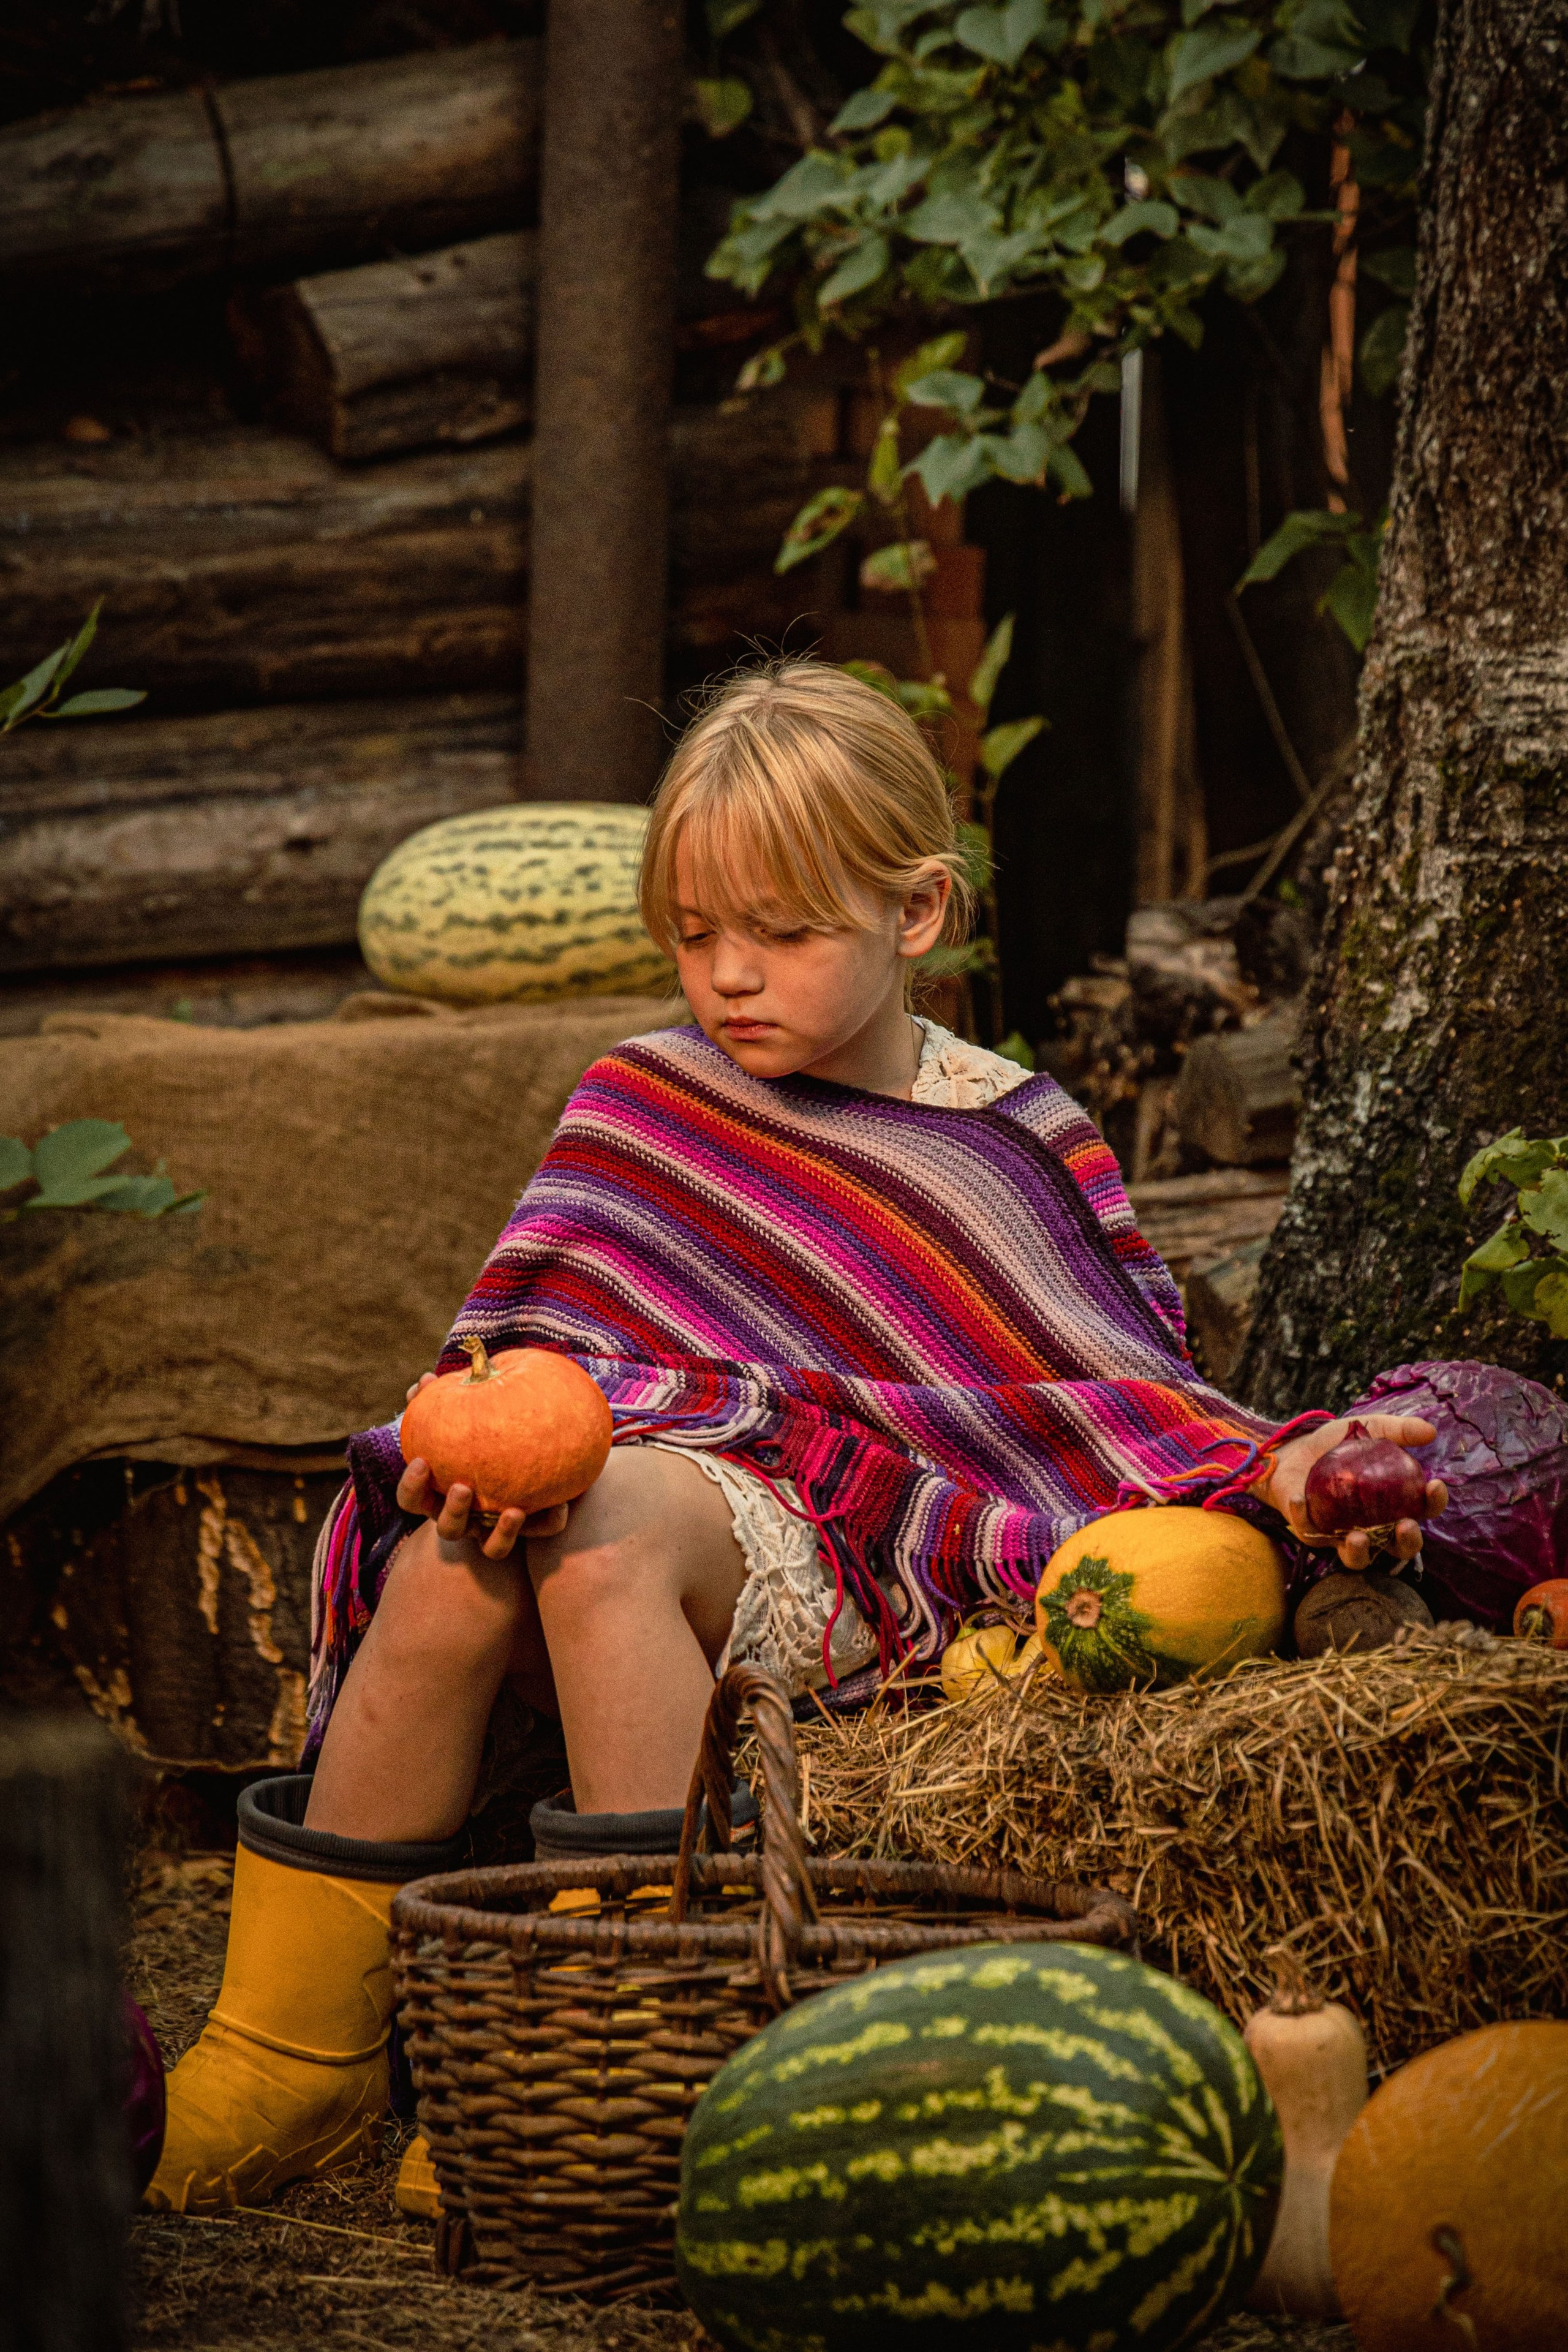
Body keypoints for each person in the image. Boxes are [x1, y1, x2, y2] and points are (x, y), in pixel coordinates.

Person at [146, 659, 1445, 2214]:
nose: (730, 976)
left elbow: (1095, 1398)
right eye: (695, 937)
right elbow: (524, 1349)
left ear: (912, 914)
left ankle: (628, 2033)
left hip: (868, 1548)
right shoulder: (642, 1099)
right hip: (646, 1476)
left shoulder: (1005, 1138)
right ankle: (292, 2055)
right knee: (447, 1560)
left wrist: (1274, 1469)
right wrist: (471, 1445)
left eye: (780, 933)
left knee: (605, 1534)